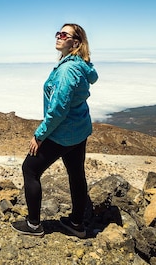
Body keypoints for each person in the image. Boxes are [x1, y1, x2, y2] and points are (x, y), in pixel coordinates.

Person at [11, 23, 98, 238]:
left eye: (64, 35)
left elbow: (58, 109)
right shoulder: (79, 64)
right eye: (58, 33)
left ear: (75, 42)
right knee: (76, 173)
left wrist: (39, 135)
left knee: (30, 170)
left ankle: (33, 225)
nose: (58, 37)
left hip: (62, 133)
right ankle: (77, 223)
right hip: (79, 130)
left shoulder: (67, 71)